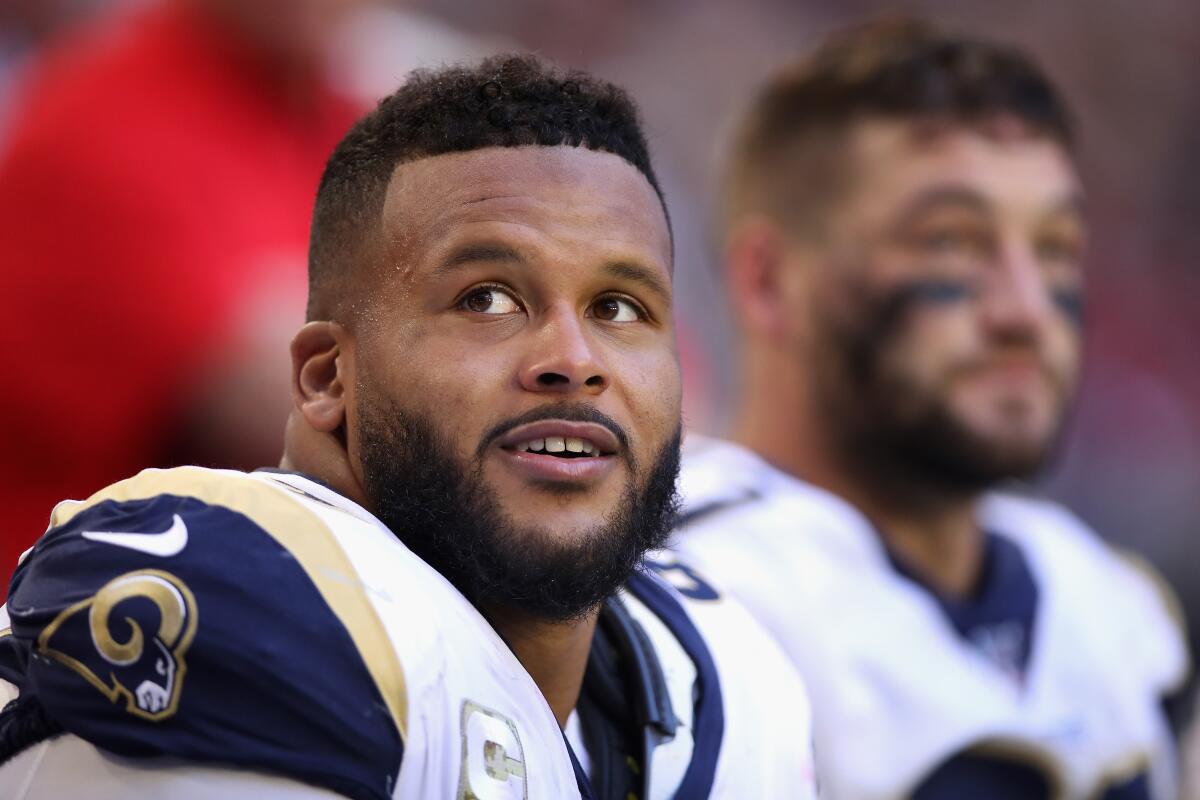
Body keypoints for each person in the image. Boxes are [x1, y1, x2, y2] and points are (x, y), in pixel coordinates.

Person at [0, 55, 816, 799]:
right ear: (327, 378)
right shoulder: (247, 603)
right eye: (487, 299)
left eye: (619, 307)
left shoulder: (730, 686)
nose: (574, 358)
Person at [671, 17, 1189, 800]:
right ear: (771, 283)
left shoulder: (1109, 601)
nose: (1024, 309)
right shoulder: (686, 601)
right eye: (951, 243)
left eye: (1055, 248)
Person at [0, 0, 362, 585]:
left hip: (235, 613)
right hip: (78, 639)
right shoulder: (102, 117)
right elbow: (299, 411)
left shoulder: (335, 109)